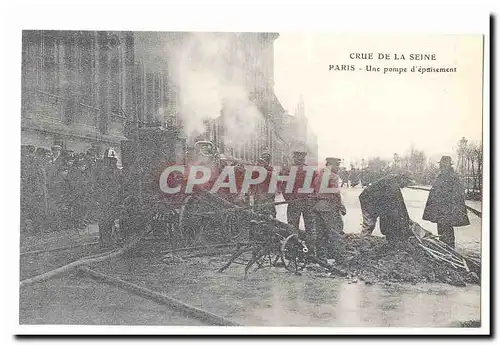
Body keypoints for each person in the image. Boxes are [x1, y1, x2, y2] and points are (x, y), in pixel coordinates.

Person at [422, 156, 470, 248]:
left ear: (448, 165)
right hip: (442, 209)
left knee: (446, 229)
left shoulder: (450, 176)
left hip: (447, 209)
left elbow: (455, 193)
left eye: (444, 164)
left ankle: (448, 247)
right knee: (442, 228)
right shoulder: (443, 175)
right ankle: (445, 246)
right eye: (441, 164)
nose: (442, 166)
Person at [359, 172, 414, 243]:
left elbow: (400, 204)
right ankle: (363, 246)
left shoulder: (394, 182)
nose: (406, 185)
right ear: (403, 179)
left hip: (376, 202)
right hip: (368, 200)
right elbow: (391, 208)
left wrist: (407, 219)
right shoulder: (392, 186)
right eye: (407, 182)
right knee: (369, 224)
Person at [312, 157, 347, 261]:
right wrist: (341, 206)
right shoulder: (333, 176)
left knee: (320, 234)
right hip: (329, 207)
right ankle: (340, 258)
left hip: (317, 207)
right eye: (337, 165)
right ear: (330, 165)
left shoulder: (319, 175)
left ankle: (321, 258)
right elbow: (336, 193)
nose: (338, 168)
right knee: (335, 232)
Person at [283, 151, 316, 249]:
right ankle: (310, 252)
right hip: (308, 201)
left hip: (294, 202)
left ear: (295, 158)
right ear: (304, 158)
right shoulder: (310, 170)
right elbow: (315, 187)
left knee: (292, 226)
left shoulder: (289, 170)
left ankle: (293, 251)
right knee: (310, 227)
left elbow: (285, 187)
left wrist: (288, 199)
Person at [251, 150, 276, 218]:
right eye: (263, 159)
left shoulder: (270, 172)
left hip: (266, 199)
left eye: (266, 159)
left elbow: (273, 188)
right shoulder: (256, 171)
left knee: (267, 217)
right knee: (257, 217)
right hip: (258, 198)